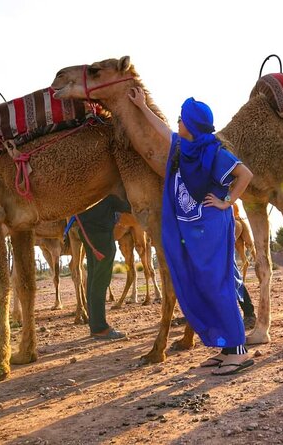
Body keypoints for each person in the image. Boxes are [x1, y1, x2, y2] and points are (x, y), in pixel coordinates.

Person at [129, 88, 255, 376]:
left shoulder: (214, 151)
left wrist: (227, 202)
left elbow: (244, 174)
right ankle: (226, 348)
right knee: (200, 285)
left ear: (193, 125)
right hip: (192, 231)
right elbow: (161, 130)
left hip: (211, 227)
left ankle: (239, 350)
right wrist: (141, 106)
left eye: (182, 119)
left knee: (218, 285)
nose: (177, 122)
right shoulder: (182, 148)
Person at [71, 195, 131, 340]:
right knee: (100, 281)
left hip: (87, 231)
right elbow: (126, 206)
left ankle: (95, 324)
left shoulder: (85, 186)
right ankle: (100, 328)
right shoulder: (104, 189)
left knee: (93, 278)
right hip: (101, 235)